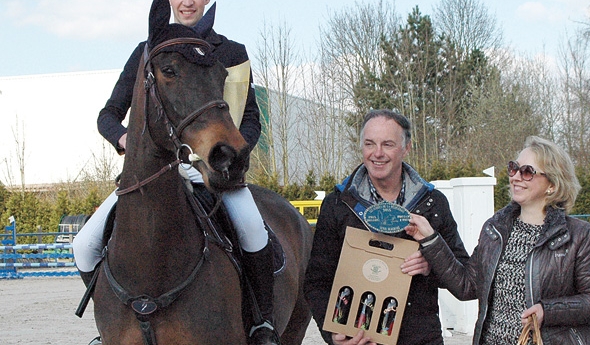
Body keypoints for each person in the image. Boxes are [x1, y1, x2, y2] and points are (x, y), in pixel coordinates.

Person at [71, 1, 277, 344]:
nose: (187, 2)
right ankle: (111, 325)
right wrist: (124, 139)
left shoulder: (232, 53)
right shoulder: (146, 52)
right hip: (155, 171)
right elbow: (108, 115)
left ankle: (261, 324)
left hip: (213, 170)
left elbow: (251, 117)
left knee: (255, 231)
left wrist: (233, 151)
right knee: (83, 245)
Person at [404, 136, 590, 344]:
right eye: (514, 168)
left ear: (552, 183)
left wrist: (547, 311)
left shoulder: (579, 235)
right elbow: (467, 286)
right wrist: (431, 239)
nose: (516, 177)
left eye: (527, 172)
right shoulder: (495, 229)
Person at [303, 109, 470, 345]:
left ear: (406, 148)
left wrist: (431, 262)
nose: (377, 153)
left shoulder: (434, 203)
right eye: (369, 144)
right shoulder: (338, 204)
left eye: (388, 144)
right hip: (359, 339)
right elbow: (317, 282)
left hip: (421, 339)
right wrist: (332, 333)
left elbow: (463, 274)